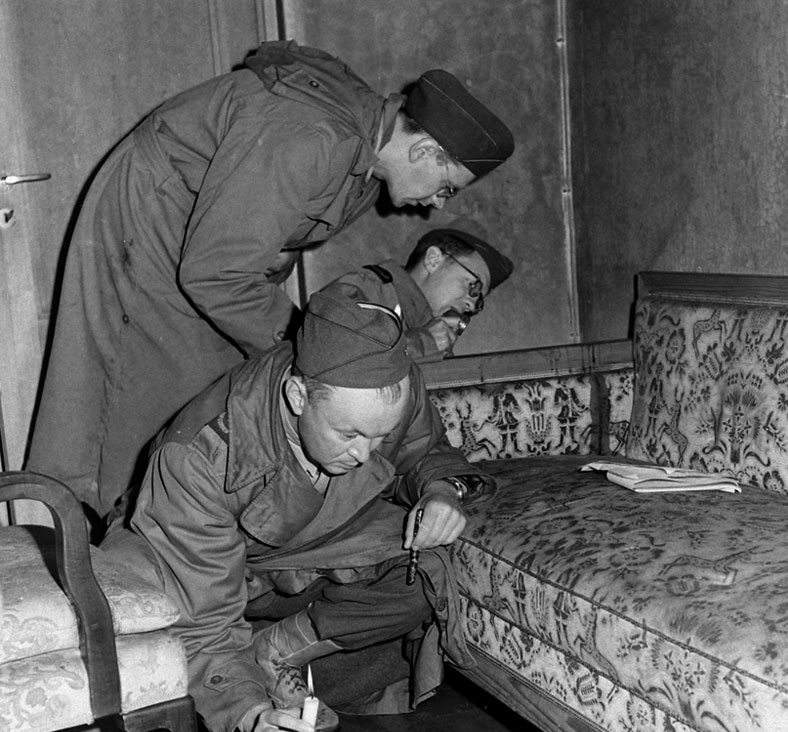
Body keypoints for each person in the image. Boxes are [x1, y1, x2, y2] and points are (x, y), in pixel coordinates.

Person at [28, 39, 514, 521]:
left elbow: (269, 242)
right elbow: (216, 274)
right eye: (446, 186)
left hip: (198, 245)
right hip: (153, 231)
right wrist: (316, 346)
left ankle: (147, 534)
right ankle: (100, 544)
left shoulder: (367, 158)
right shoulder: (313, 137)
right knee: (134, 405)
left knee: (203, 394)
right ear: (425, 149)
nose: (440, 204)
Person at [102, 289, 496, 732]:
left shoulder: (383, 380)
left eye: (380, 435)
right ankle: (234, 697)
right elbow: (203, 622)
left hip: (305, 552)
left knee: (427, 569)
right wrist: (252, 716)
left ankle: (273, 656)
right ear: (297, 396)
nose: (366, 454)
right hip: (202, 573)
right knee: (164, 663)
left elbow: (422, 449)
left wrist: (439, 490)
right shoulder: (198, 458)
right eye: (349, 435)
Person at [332, 227, 514, 364]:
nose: (472, 306)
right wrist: (423, 344)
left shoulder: (432, 335)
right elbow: (335, 359)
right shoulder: (365, 289)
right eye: (473, 287)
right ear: (433, 260)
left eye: (479, 301)